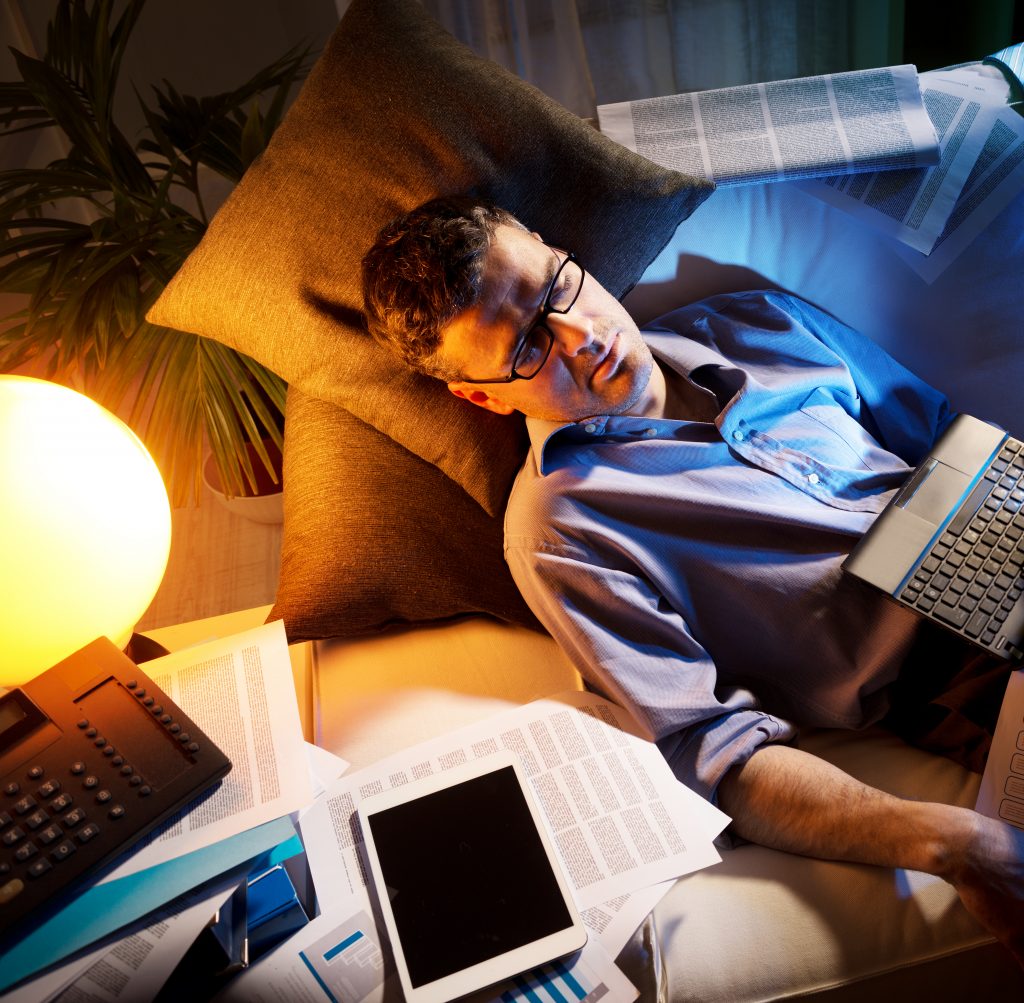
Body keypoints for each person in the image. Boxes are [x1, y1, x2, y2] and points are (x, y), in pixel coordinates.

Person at [361, 195, 1024, 963]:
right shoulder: (558, 534)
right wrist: (951, 842)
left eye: (557, 290)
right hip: (956, 671)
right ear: (480, 394)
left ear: (553, 247)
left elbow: (942, 432)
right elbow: (717, 757)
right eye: (528, 348)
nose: (582, 338)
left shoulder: (761, 318)